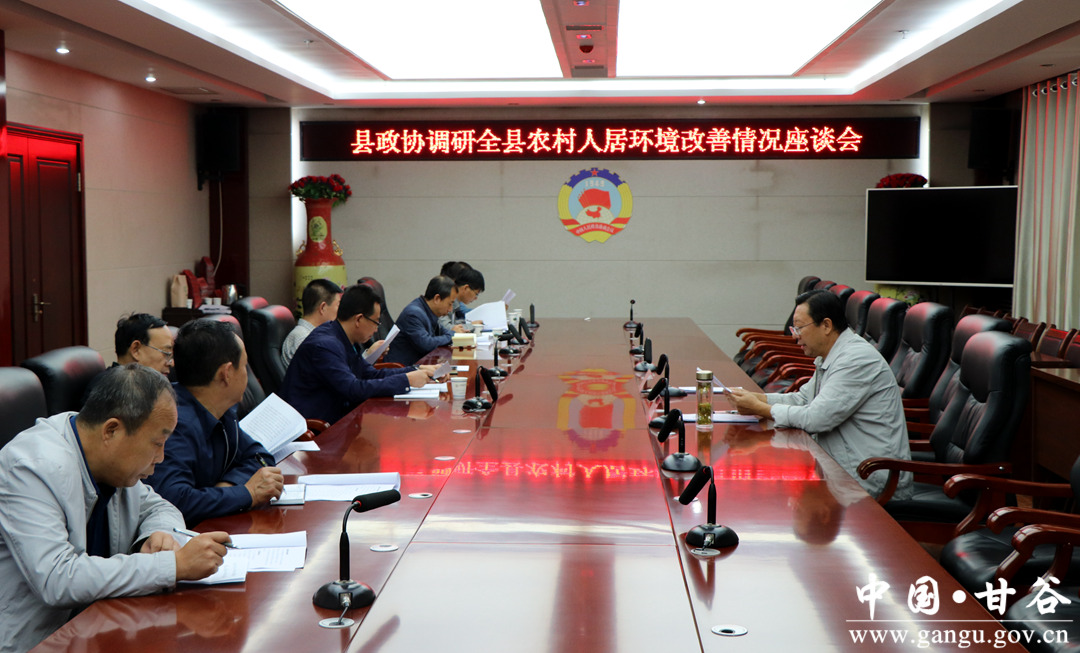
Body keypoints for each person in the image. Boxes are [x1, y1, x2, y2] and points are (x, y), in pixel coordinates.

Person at [0, 365, 230, 653]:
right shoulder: (32, 466)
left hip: (100, 626)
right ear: (112, 430)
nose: (160, 457)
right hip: (37, 643)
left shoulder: (107, 458)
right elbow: (57, 578)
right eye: (157, 443)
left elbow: (159, 507)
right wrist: (173, 565)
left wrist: (156, 534)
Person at [727, 289, 912, 499]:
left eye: (799, 328)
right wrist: (757, 398)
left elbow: (816, 419)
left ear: (826, 325)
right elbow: (803, 399)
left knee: (780, 497)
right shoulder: (833, 355)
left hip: (870, 478)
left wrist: (760, 408)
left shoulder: (856, 359)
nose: (795, 336)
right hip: (843, 469)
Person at [145, 320, 284, 526]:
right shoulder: (174, 423)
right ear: (226, 374)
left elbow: (260, 457)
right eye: (244, 366)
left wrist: (227, 487)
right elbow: (174, 500)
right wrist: (246, 493)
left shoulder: (222, 410)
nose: (247, 374)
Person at [279, 283, 441, 424]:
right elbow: (353, 389)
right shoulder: (325, 346)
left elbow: (369, 374)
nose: (377, 329)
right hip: (316, 428)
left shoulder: (340, 336)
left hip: (339, 419)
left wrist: (415, 370)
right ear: (358, 319)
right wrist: (406, 380)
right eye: (376, 322)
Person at [83, 313, 176, 404]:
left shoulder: (149, 387)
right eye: (166, 353)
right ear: (136, 350)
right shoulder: (109, 392)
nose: (171, 363)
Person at [386, 275, 467, 366]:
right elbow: (426, 344)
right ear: (437, 299)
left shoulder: (428, 310)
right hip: (400, 369)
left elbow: (441, 332)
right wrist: (453, 334)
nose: (451, 309)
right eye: (450, 304)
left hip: (420, 365)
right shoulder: (413, 314)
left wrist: (455, 334)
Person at [281, 278, 342, 368]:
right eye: (338, 305)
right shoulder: (303, 339)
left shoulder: (313, 336)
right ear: (323, 307)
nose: (339, 311)